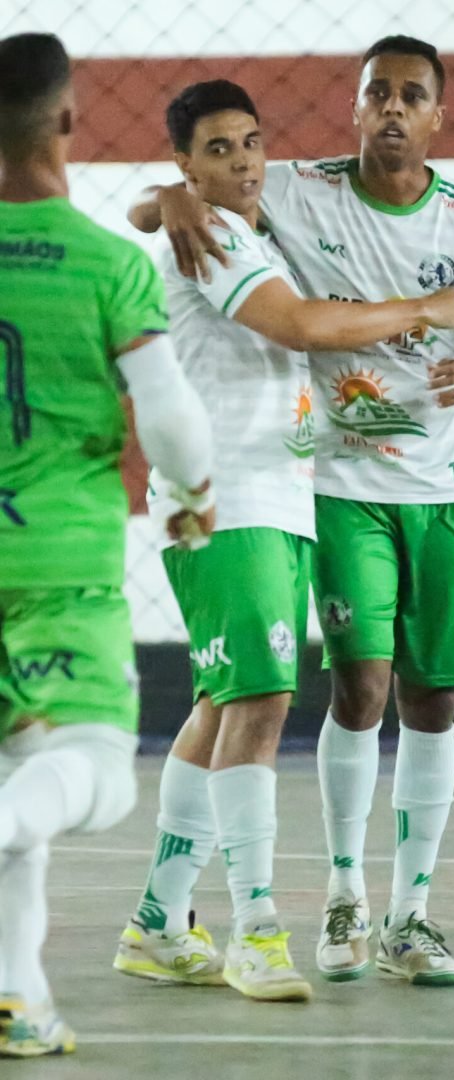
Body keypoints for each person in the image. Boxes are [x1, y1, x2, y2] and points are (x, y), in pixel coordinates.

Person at [131, 35, 454, 986]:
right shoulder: (274, 204)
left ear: (438, 115)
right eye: (376, 93)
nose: (392, 109)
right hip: (311, 488)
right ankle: (301, 911)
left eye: (412, 96)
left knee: (305, 699)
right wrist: (169, 196)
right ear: (354, 108)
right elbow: (290, 312)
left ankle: (397, 915)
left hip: (407, 488)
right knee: (311, 695)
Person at [0, 33, 215, 1056]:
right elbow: (169, 415)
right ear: (69, 121)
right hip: (57, 572)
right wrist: (194, 493)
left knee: (21, 780)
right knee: (90, 769)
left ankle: (17, 998)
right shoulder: (107, 264)